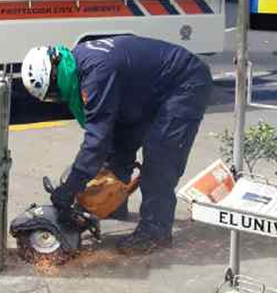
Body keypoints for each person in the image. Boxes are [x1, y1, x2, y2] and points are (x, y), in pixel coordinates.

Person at [20, 35, 213, 254]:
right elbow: (109, 136)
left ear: (54, 76)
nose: (58, 99)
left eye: (53, 95)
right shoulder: (77, 63)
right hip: (149, 90)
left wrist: (70, 188)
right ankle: (114, 203)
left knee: (160, 159)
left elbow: (97, 140)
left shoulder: (96, 74)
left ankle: (155, 232)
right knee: (118, 148)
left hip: (185, 83)